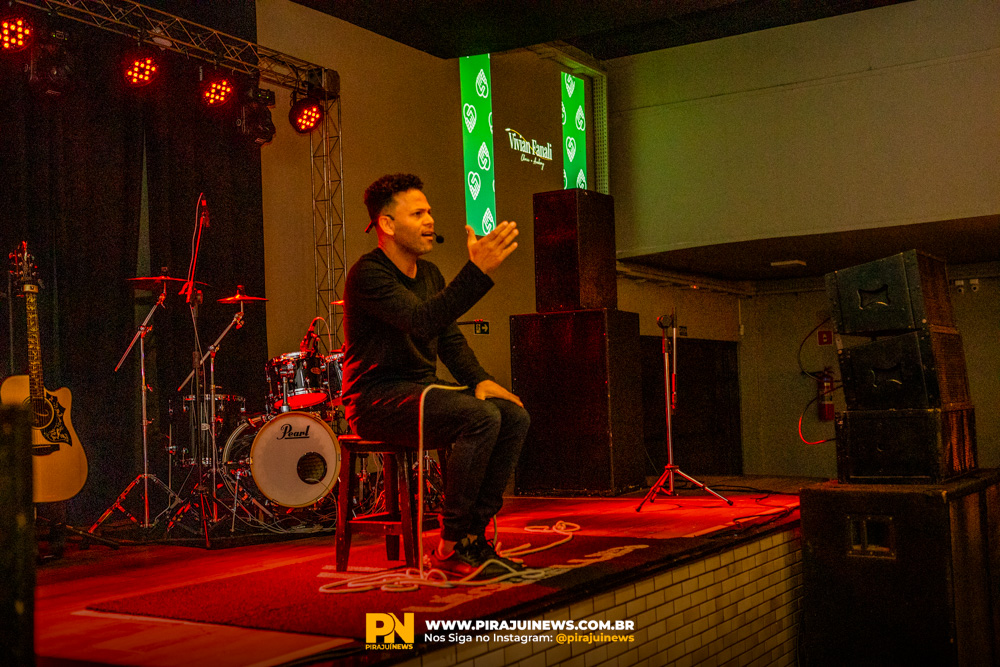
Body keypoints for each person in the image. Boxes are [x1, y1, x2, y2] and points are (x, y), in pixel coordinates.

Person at [341, 173, 530, 577]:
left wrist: (478, 378)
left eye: (429, 212)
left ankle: (472, 536)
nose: (430, 220)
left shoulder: (429, 275)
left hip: (419, 391)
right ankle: (449, 546)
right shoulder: (368, 274)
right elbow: (421, 321)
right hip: (374, 399)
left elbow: (448, 337)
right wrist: (476, 272)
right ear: (387, 224)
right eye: (418, 213)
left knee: (513, 415)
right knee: (480, 417)